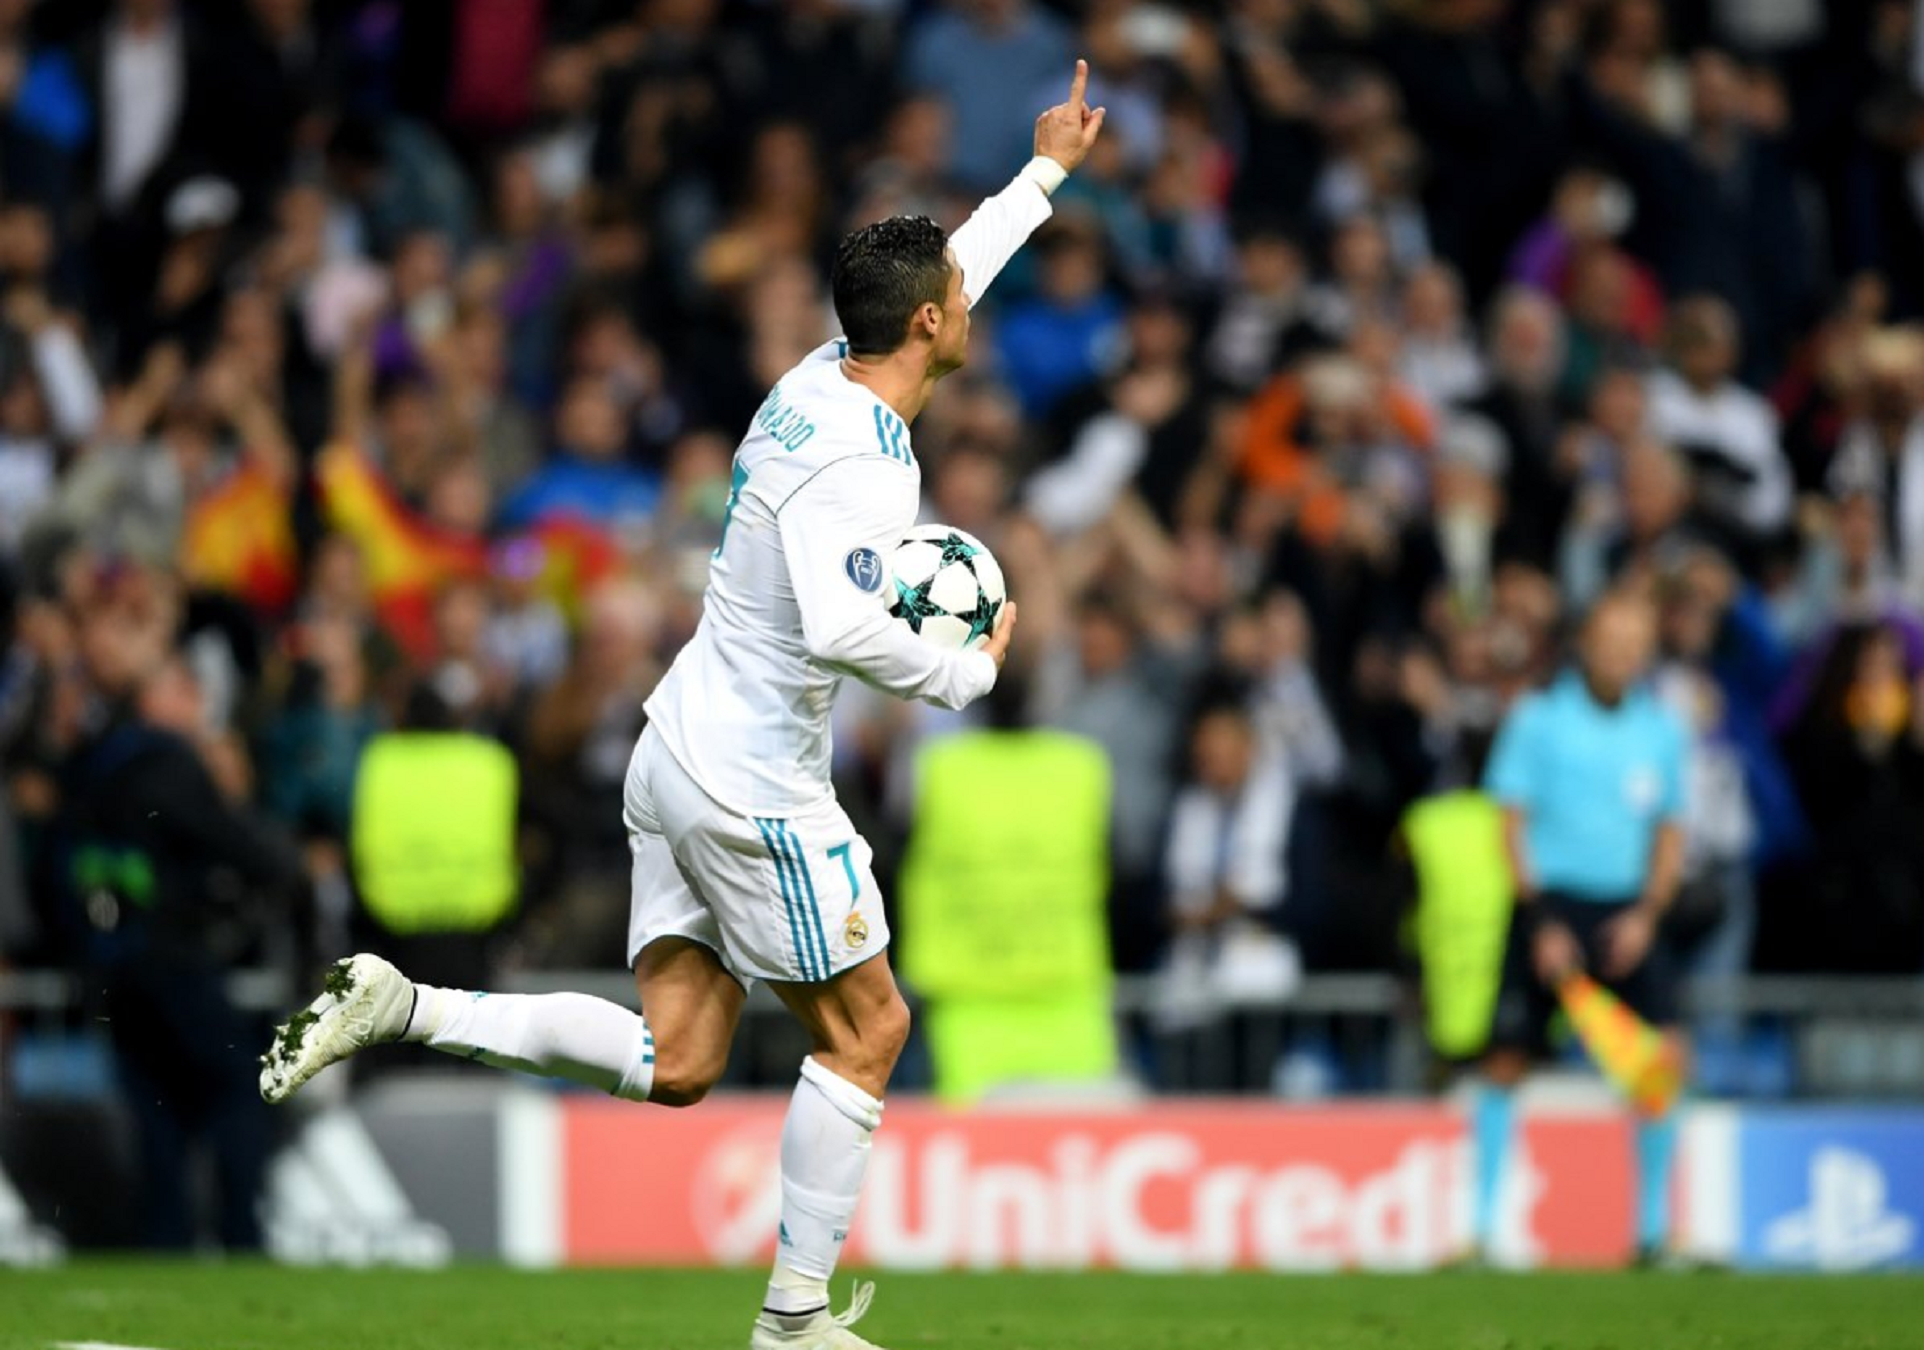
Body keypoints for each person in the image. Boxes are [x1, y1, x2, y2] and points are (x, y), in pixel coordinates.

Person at [257, 62, 1107, 1350]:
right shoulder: (863, 469)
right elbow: (837, 626)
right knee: (871, 1030)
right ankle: (794, 1321)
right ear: (930, 325)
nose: (964, 302)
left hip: (676, 749)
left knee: (682, 1060)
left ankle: (402, 1004)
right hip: (750, 780)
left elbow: (955, 269)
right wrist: (967, 671)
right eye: (953, 296)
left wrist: (1042, 173)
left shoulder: (819, 373)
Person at [1473, 591, 1689, 1265]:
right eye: (1611, 639)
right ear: (1586, 643)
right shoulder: (1539, 719)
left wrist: (1648, 914)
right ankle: (1482, 1230)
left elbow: (1670, 833)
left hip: (1626, 914)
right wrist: (1541, 919)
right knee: (1505, 1061)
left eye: (1635, 642)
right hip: (1551, 908)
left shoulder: (1662, 730)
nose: (1622, 654)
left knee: (1661, 1064)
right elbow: (1510, 823)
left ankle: (1651, 1233)